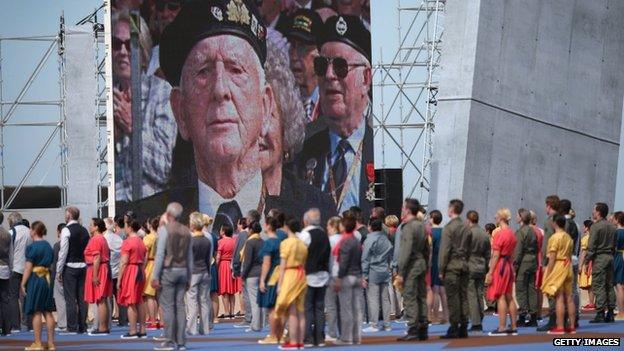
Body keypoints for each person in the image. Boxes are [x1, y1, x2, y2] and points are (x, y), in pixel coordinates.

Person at [296, 14, 374, 218]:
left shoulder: (387, 143)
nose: (329, 75)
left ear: (365, 78)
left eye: (340, 66)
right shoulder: (304, 144)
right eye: (322, 66)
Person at [152, 202, 193, 351]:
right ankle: (181, 343)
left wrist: (155, 275)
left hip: (168, 271)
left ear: (168, 215)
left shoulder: (164, 230)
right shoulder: (186, 231)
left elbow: (160, 254)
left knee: (168, 307)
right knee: (180, 306)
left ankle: (169, 341)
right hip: (183, 271)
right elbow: (190, 256)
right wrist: (189, 276)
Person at [395, 198, 429, 341]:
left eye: (404, 207)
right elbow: (427, 248)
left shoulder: (408, 227)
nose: (402, 209)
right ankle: (423, 327)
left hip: (411, 265)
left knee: (409, 296)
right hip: (421, 263)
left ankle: (413, 328)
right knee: (421, 296)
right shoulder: (422, 225)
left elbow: (405, 251)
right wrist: (425, 264)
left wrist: (401, 272)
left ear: (407, 209)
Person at [438, 199, 472, 339]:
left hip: (452, 266)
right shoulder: (466, 228)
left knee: (452, 298)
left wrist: (441, 269)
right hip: (464, 264)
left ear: (452, 209)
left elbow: (444, 251)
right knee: (463, 296)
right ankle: (464, 326)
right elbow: (469, 249)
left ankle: (454, 327)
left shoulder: (449, 228)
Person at [297, 209, 331, 346]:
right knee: (319, 308)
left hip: (308, 275)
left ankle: (308, 338)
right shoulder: (324, 234)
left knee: (307, 308)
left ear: (306, 221)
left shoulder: (304, 235)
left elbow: (299, 256)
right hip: (323, 275)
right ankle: (320, 338)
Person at [20, 222, 56, 351]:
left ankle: (38, 343)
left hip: (36, 279)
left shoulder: (32, 247)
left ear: (34, 231)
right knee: (48, 311)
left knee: (36, 311)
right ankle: (51, 344)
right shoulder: (48, 246)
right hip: (46, 279)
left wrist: (23, 283)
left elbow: (28, 267)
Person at [275, 219, 309, 350]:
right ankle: (300, 340)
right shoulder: (302, 244)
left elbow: (283, 265)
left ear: (287, 228)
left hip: (290, 275)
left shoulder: (286, 243)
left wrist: (280, 284)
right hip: (302, 275)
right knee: (300, 310)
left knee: (292, 311)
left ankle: (294, 341)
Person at [56, 207, 89, 335]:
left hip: (69, 266)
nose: (65, 216)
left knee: (70, 298)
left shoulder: (66, 230)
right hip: (83, 266)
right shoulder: (84, 230)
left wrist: (59, 270)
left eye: (66, 214)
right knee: (82, 298)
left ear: (69, 215)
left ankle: (72, 327)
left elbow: (63, 251)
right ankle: (83, 326)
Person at [541, 215, 576, 334]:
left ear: (554, 223)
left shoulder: (554, 237)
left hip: (558, 266)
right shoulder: (568, 237)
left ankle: (560, 327)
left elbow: (552, 258)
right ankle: (572, 326)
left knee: (559, 298)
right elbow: (570, 254)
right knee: (570, 298)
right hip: (568, 266)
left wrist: (548, 273)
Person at [285, 9, 322, 122]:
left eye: (302, 48)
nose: (294, 56)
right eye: (292, 46)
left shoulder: (330, 101)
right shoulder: (283, 102)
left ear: (319, 54)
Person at [485, 208, 518, 336]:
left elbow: (495, 255)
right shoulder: (511, 234)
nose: (495, 217)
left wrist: (490, 272)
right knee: (509, 296)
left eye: (497, 215)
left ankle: (502, 327)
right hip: (509, 265)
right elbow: (513, 254)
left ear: (501, 217)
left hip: (501, 266)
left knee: (501, 296)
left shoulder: (499, 234)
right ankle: (514, 326)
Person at [332, 212, 363, 346]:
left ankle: (346, 337)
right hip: (357, 276)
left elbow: (343, 263)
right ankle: (356, 337)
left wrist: (339, 279)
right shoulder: (356, 241)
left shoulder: (345, 242)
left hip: (347, 277)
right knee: (356, 308)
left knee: (346, 309)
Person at [585, 202, 617, 323]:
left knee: (598, 285)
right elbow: (614, 244)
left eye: (594, 210)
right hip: (610, 257)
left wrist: (587, 261)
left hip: (599, 257)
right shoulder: (612, 226)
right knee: (609, 285)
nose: (593, 212)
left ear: (598, 212)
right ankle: (610, 312)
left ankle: (600, 313)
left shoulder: (595, 226)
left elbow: (591, 246)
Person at [257, 216, 286, 344]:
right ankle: (280, 334)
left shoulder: (269, 242)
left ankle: (273, 335)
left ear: (268, 226)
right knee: (280, 308)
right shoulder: (280, 241)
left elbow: (266, 263)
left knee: (272, 308)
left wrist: (262, 280)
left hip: (272, 277)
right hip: (281, 275)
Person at [361, 218, 392, 333]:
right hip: (384, 270)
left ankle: (374, 325)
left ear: (370, 227)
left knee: (373, 298)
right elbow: (390, 253)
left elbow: (365, 258)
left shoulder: (369, 239)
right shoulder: (385, 239)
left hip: (373, 271)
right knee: (385, 298)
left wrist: (364, 275)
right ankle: (387, 324)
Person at [117, 220, 147, 339]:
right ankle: (142, 329)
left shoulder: (127, 242)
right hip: (140, 270)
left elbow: (124, 262)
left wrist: (119, 280)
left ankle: (133, 331)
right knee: (139, 300)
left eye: (125, 225)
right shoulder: (141, 241)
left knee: (130, 302)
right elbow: (145, 258)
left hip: (131, 270)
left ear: (129, 227)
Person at [84, 218, 112, 335]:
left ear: (96, 227)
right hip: (103, 268)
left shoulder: (96, 239)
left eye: (91, 225)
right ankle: (103, 326)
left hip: (98, 269)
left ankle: (102, 327)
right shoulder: (102, 239)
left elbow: (96, 258)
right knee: (102, 299)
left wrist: (95, 276)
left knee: (100, 299)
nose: (89, 227)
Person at [186, 212, 213, 335]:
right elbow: (208, 259)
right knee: (204, 301)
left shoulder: (191, 241)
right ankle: (205, 328)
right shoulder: (206, 240)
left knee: (192, 302)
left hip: (193, 273)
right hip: (205, 272)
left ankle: (192, 328)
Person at [537, 195, 560, 332]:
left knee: (551, 290)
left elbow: (548, 243)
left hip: (552, 260)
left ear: (549, 205)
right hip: (563, 260)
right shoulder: (564, 220)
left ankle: (553, 320)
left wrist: (545, 262)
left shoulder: (549, 221)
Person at [514, 208, 539, 327]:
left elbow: (518, 251)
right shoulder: (533, 231)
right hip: (532, 261)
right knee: (531, 289)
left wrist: (515, 265)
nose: (516, 217)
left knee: (521, 289)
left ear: (521, 217)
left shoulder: (521, 232)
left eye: (517, 215)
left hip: (523, 262)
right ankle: (534, 316)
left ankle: (523, 315)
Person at [466, 210, 490, 332]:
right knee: (479, 293)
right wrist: (486, 267)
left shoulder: (468, 233)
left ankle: (475, 322)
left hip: (470, 265)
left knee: (471, 295)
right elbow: (488, 253)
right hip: (481, 266)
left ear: (468, 220)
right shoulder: (484, 234)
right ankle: (480, 317)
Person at [8, 212, 32, 333]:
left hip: (15, 268)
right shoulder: (29, 231)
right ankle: (28, 324)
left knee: (13, 297)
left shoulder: (12, 232)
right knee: (26, 296)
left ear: (12, 221)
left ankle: (15, 325)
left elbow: (9, 251)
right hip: (28, 268)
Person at [241, 221, 265, 332]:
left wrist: (243, 275)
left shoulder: (250, 242)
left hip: (252, 274)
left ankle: (255, 325)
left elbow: (247, 261)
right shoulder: (262, 241)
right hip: (262, 272)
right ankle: (261, 324)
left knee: (254, 301)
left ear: (251, 230)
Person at [103, 218, 124, 327]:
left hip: (108, 270)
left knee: (108, 296)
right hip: (119, 270)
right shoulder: (119, 239)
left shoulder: (104, 239)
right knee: (119, 295)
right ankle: (123, 319)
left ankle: (108, 319)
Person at [428, 209, 447, 325]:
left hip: (434, 261)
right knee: (442, 291)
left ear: (432, 218)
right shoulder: (445, 231)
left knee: (434, 290)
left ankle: (434, 316)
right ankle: (445, 315)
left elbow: (430, 250)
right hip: (444, 261)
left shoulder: (430, 232)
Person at [324, 216, 342, 342]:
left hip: (332, 275)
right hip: (345, 276)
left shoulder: (329, 241)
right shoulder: (346, 239)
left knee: (331, 306)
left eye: (328, 226)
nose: (327, 228)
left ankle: (332, 332)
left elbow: (326, 260)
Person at [216, 225, 239, 318]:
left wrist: (216, 266)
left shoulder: (220, 242)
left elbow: (218, 256)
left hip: (223, 265)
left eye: (221, 229)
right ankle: (232, 311)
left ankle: (226, 312)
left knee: (225, 290)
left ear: (224, 231)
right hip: (232, 265)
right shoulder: (234, 241)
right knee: (232, 290)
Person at [232, 217, 250, 328]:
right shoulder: (252, 235)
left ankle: (248, 318)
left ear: (241, 225)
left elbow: (238, 253)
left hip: (245, 267)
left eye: (238, 224)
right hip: (253, 267)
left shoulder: (242, 235)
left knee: (246, 295)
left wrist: (235, 269)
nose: (237, 227)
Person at [143, 217, 160, 329]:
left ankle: (153, 320)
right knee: (159, 296)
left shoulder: (148, 238)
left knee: (150, 296)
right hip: (160, 265)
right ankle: (161, 321)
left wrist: (142, 268)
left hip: (150, 265)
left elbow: (145, 255)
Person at [529, 210, 544, 320]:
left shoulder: (528, 231)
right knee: (539, 289)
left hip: (531, 259)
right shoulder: (542, 231)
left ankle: (531, 313)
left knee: (530, 287)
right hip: (540, 260)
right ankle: (538, 313)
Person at [0, 212, 12, 336]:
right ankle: (6, 328)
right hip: (4, 267)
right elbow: (11, 253)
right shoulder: (7, 234)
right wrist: (11, 268)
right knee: (5, 299)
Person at [578, 220, 595, 310]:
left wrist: (580, 265)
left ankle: (591, 303)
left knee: (589, 284)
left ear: (587, 228)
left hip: (587, 263)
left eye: (584, 226)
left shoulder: (585, 238)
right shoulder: (594, 237)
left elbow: (584, 253)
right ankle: (593, 302)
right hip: (594, 262)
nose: (583, 228)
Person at [613, 212, 624, 320]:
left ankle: (621, 313)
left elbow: (613, 248)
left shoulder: (617, 233)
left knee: (619, 285)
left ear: (617, 220)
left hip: (618, 257)